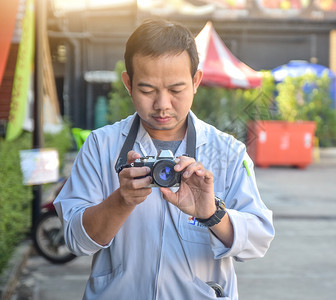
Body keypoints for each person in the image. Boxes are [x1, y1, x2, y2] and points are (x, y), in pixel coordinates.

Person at [54, 17, 274, 300]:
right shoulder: (101, 146)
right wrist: (121, 201)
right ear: (128, 83)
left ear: (196, 81)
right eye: (147, 90)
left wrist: (210, 213)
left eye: (175, 89)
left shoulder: (227, 151)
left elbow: (258, 241)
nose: (162, 104)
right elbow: (76, 241)